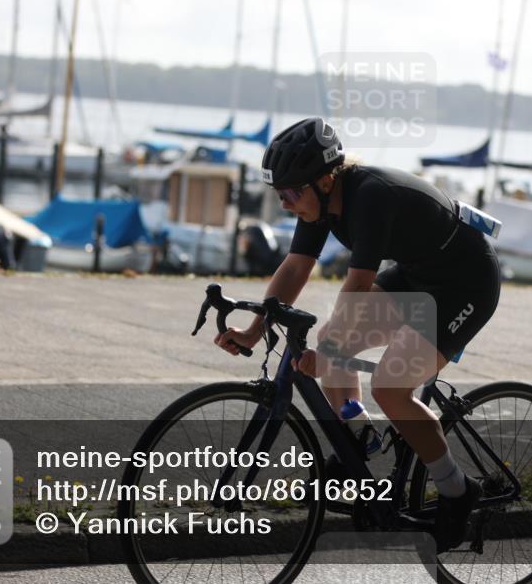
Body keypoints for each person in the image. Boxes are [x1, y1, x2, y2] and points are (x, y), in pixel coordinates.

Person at [215, 117, 501, 552]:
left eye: (292, 193)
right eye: (280, 195)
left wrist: (327, 351)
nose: (287, 203)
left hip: (466, 282)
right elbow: (295, 267)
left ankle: (458, 490)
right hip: (418, 272)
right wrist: (255, 330)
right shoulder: (320, 201)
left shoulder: (370, 197)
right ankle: (360, 433)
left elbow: (359, 284)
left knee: (389, 385)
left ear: (326, 178)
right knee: (337, 337)